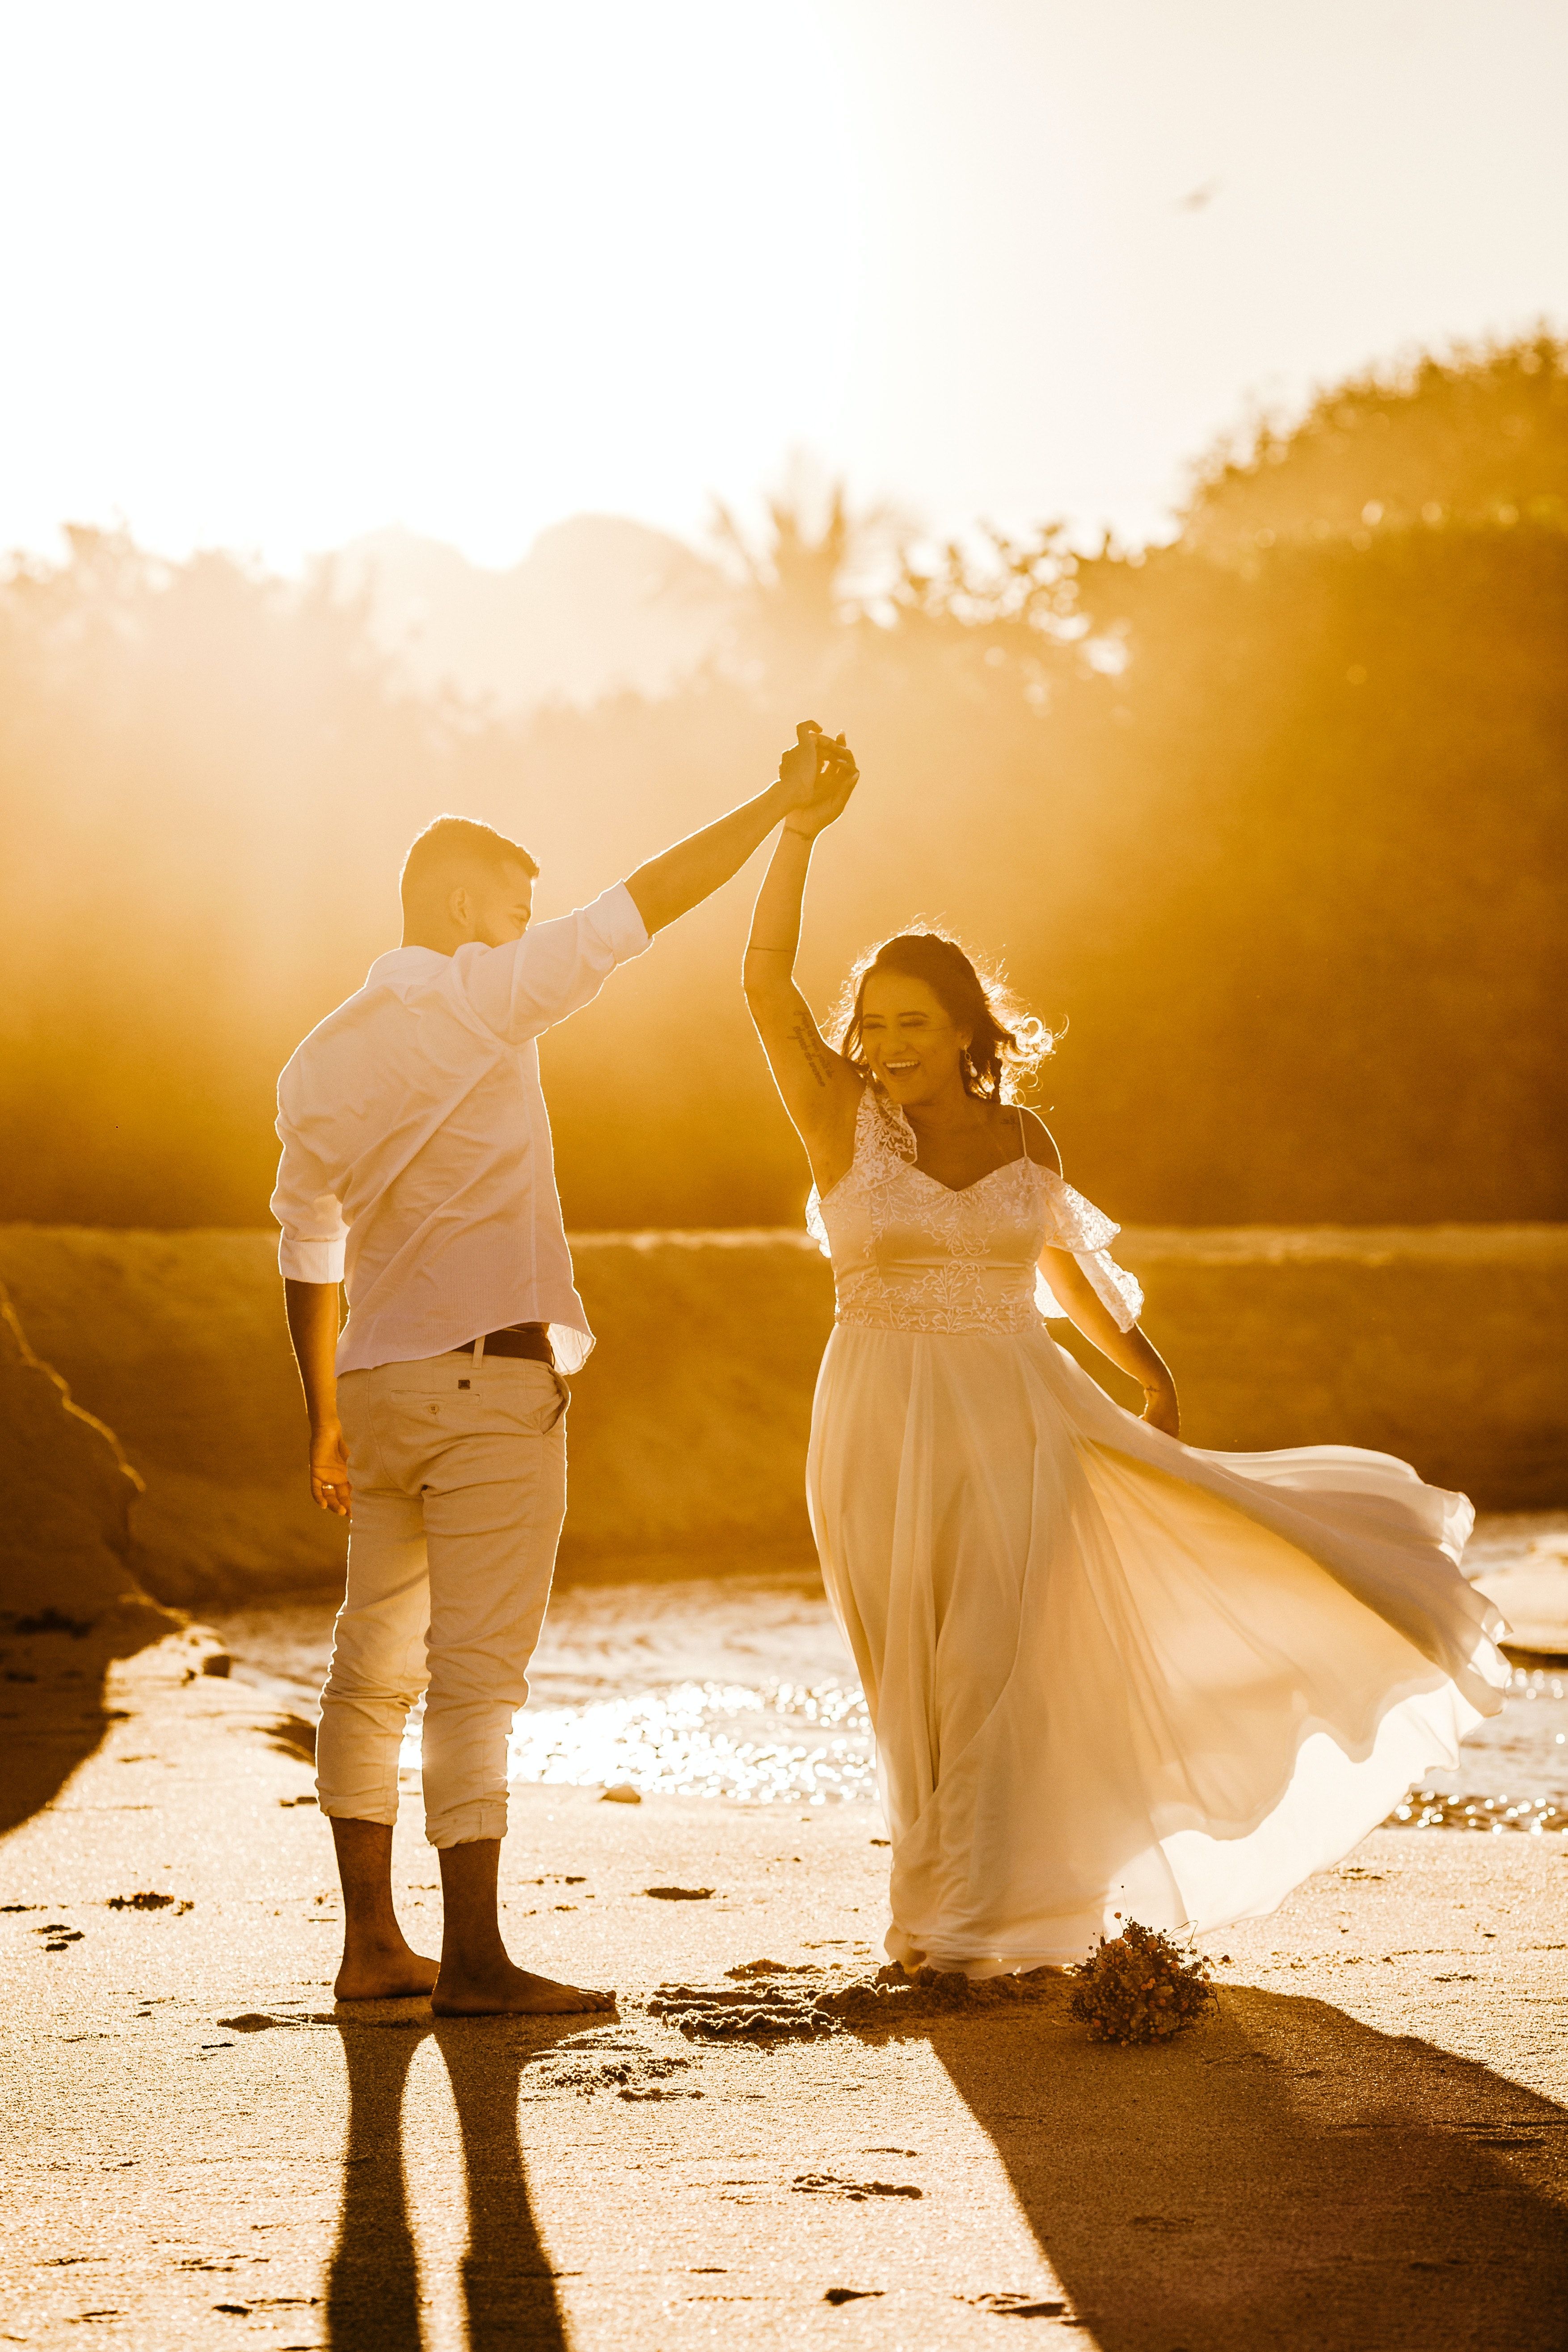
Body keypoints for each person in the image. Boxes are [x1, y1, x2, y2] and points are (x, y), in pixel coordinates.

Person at [742, 757, 1507, 1977]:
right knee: (911, 1672)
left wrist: (1146, 1374)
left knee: (998, 1662)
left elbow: (1061, 1273)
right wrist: (794, 834)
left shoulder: (1023, 1137)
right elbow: (762, 983)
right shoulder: (840, 1119)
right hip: (876, 1416)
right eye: (872, 1023)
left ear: (962, 1033)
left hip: (1022, 1409)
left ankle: (983, 1929)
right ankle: (934, 1916)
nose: (884, 1044)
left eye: (911, 1024)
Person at [273, 721, 855, 2016]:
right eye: (515, 907)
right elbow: (639, 907)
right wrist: (774, 805)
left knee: (370, 1662)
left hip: (374, 1385)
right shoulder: (485, 996)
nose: (526, 926)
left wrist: (323, 1415)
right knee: (476, 1675)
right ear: (470, 905)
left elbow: (304, 1240)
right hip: (489, 1385)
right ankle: (474, 1962)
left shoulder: (315, 1060)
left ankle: (372, 1948)